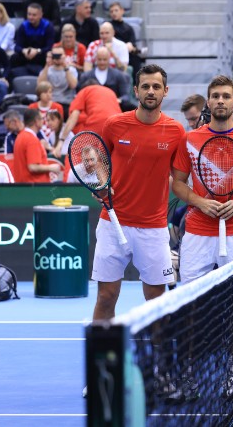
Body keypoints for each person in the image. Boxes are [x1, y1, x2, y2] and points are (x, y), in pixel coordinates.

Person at [90, 63, 184, 324]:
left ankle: (157, 357)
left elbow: (180, 179)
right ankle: (103, 356)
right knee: (106, 296)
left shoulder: (176, 131)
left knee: (155, 299)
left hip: (152, 229)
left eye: (156, 87)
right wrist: (101, 183)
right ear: (136, 90)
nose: (150, 91)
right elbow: (97, 159)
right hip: (112, 223)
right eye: (145, 86)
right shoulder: (115, 124)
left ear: (165, 91)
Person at [172, 75, 233, 288]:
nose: (220, 100)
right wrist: (200, 202)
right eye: (215, 96)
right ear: (208, 102)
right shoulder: (189, 139)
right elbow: (177, 182)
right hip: (197, 232)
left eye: (226, 96)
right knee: (190, 299)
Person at [54, 81, 122, 153]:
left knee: (75, 153)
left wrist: (61, 141)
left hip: (99, 122)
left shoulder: (85, 91)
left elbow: (73, 117)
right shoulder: (110, 91)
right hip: (118, 126)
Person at [12, 108, 61, 183]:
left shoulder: (20, 136)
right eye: (41, 119)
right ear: (36, 121)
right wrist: (51, 168)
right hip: (35, 188)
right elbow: (33, 167)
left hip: (23, 186)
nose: (43, 121)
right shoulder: (31, 140)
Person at [9, 3, 55, 81]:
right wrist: (24, 51)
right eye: (29, 14)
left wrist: (37, 51)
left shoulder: (48, 27)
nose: (31, 17)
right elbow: (17, 47)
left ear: (40, 15)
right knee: (14, 58)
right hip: (26, 55)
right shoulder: (23, 26)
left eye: (34, 15)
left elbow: (50, 47)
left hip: (41, 56)